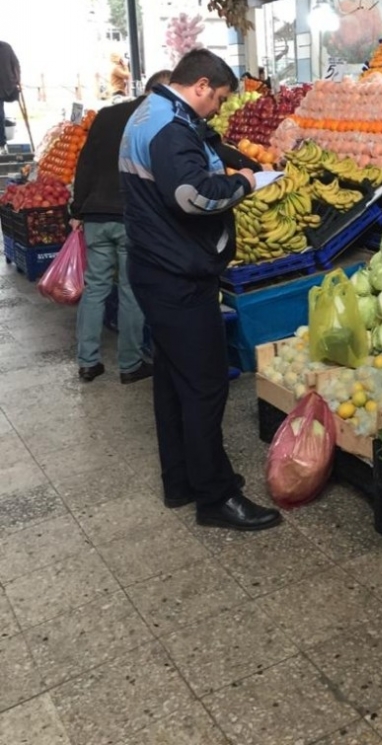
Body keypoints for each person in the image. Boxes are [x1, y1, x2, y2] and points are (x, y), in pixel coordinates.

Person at [120, 49, 280, 532]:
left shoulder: (155, 111)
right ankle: (216, 496)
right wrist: (248, 183)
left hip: (157, 268)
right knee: (207, 385)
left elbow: (205, 145)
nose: (220, 110)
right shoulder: (168, 130)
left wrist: (237, 159)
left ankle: (181, 481)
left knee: (173, 382)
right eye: (221, 99)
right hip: (177, 277)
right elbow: (194, 196)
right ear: (203, 85)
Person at [70, 93, 153, 384]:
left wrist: (77, 209)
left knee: (95, 287)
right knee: (130, 289)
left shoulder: (105, 115)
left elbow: (85, 163)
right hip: (129, 215)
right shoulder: (151, 117)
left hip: (95, 213)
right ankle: (130, 364)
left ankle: (87, 363)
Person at [0, 40, 21, 155]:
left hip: (5, 87)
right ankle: (2, 144)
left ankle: (2, 144)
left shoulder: (6, 47)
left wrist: (17, 80)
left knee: (0, 116)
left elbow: (15, 64)